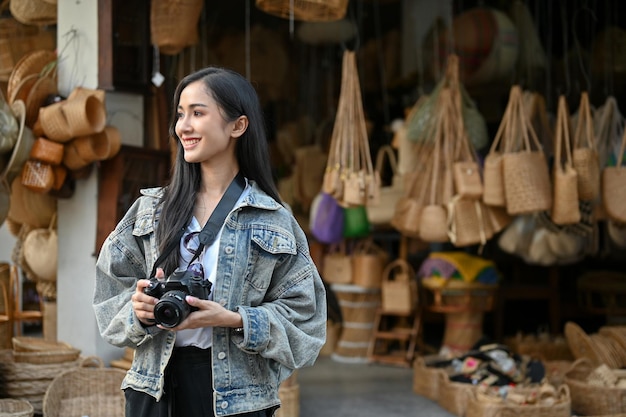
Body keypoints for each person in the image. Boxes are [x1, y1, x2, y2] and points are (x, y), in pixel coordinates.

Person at [93, 66, 327, 417]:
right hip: (153, 392)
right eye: (180, 115)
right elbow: (110, 298)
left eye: (198, 113)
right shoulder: (150, 211)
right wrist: (139, 311)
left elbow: (306, 324)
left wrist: (234, 319)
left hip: (239, 399)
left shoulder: (273, 220)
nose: (182, 126)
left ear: (237, 125)